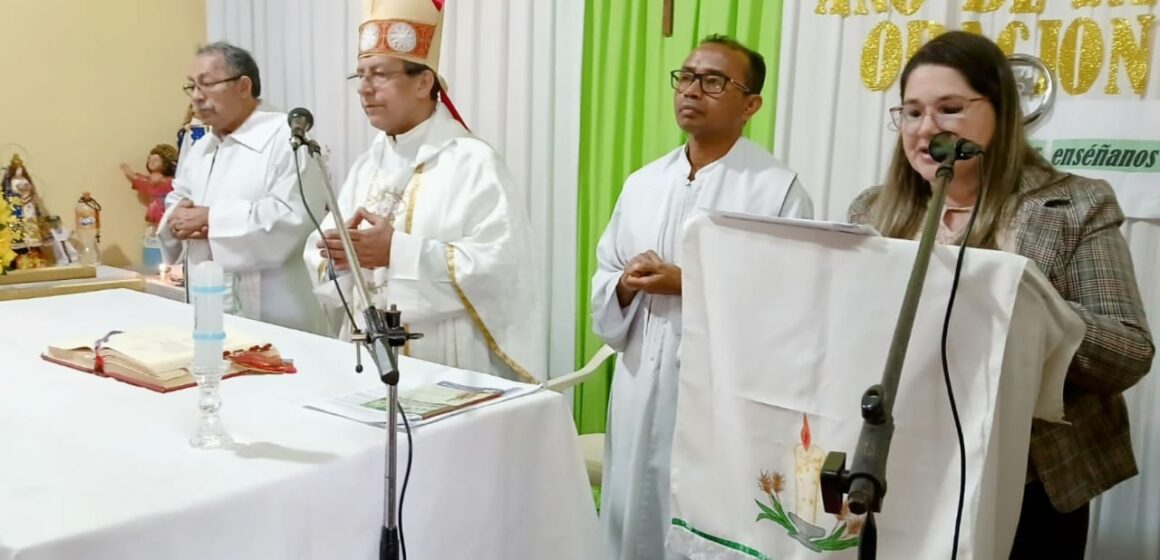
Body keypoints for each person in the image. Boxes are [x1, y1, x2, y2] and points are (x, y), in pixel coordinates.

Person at [846, 31, 1154, 559]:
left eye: (950, 109)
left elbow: (1129, 354)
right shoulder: (871, 211)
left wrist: (1027, 309)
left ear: (1001, 112)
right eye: (912, 112)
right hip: (899, 468)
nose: (927, 129)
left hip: (1026, 478)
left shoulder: (1076, 204)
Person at [591, 35, 813, 560]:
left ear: (750, 104)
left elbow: (793, 303)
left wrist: (688, 283)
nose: (692, 90)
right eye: (686, 76)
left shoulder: (776, 190)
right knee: (631, 522)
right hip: (640, 384)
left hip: (717, 397)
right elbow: (606, 271)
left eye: (714, 82)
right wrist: (623, 285)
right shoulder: (643, 183)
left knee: (701, 525)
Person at [305, 0, 545, 382]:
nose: (365, 89)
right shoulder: (368, 166)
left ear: (423, 82)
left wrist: (395, 252)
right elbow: (318, 252)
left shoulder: (472, 163)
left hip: (447, 360)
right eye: (360, 76)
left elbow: (503, 269)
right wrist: (337, 255)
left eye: (380, 74)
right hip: (368, 354)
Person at [157, 42, 327, 334]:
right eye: (191, 87)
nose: (197, 97)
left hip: (277, 313)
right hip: (208, 304)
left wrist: (211, 220)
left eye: (207, 84)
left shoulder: (288, 139)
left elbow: (294, 219)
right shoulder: (202, 147)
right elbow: (179, 199)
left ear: (243, 86)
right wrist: (179, 218)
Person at [121, 144, 178, 235]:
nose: (151, 162)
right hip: (154, 214)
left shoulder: (170, 182)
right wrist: (125, 168)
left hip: (168, 214)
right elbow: (135, 178)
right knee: (154, 234)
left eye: (155, 160)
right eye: (150, 159)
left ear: (165, 162)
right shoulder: (148, 182)